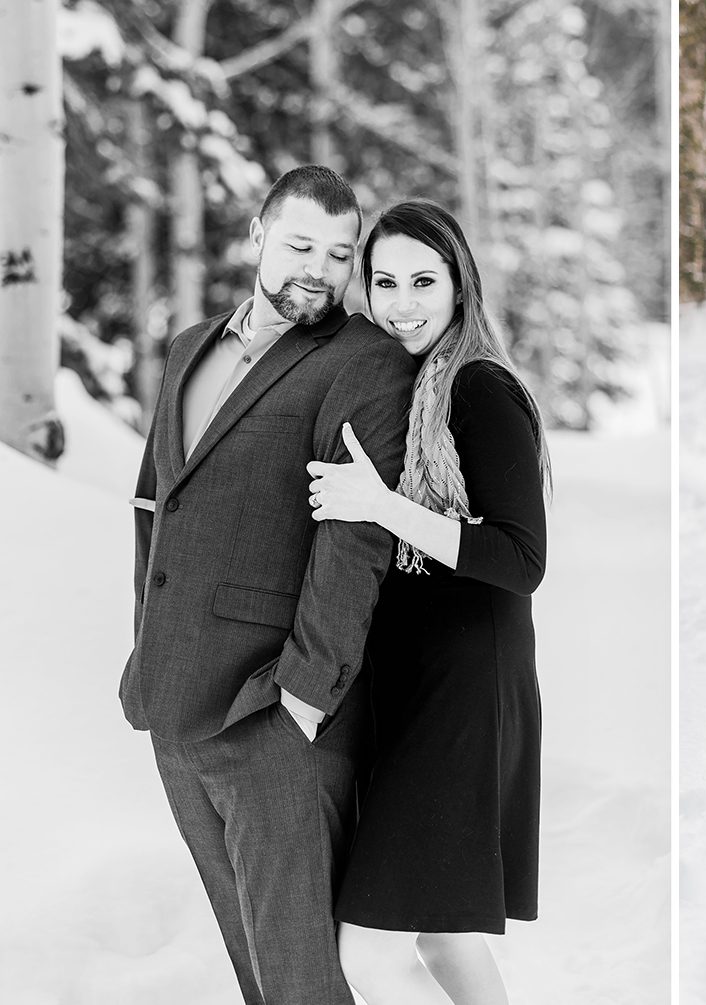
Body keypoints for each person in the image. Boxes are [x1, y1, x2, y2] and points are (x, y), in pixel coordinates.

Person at [120, 165, 418, 1005]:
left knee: (304, 979)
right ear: (258, 235)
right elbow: (155, 508)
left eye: (338, 252)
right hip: (174, 709)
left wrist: (302, 700)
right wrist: (144, 651)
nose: (318, 269)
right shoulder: (190, 349)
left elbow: (354, 538)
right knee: (256, 973)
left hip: (274, 720)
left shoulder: (364, 361)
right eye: (299, 245)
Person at [304, 199, 548, 1004]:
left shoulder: (479, 386)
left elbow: (520, 558)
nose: (403, 302)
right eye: (385, 283)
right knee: (444, 931)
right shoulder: (408, 385)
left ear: (458, 284)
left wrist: (382, 505)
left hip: (464, 695)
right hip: (417, 692)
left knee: (368, 955)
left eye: (423, 280)